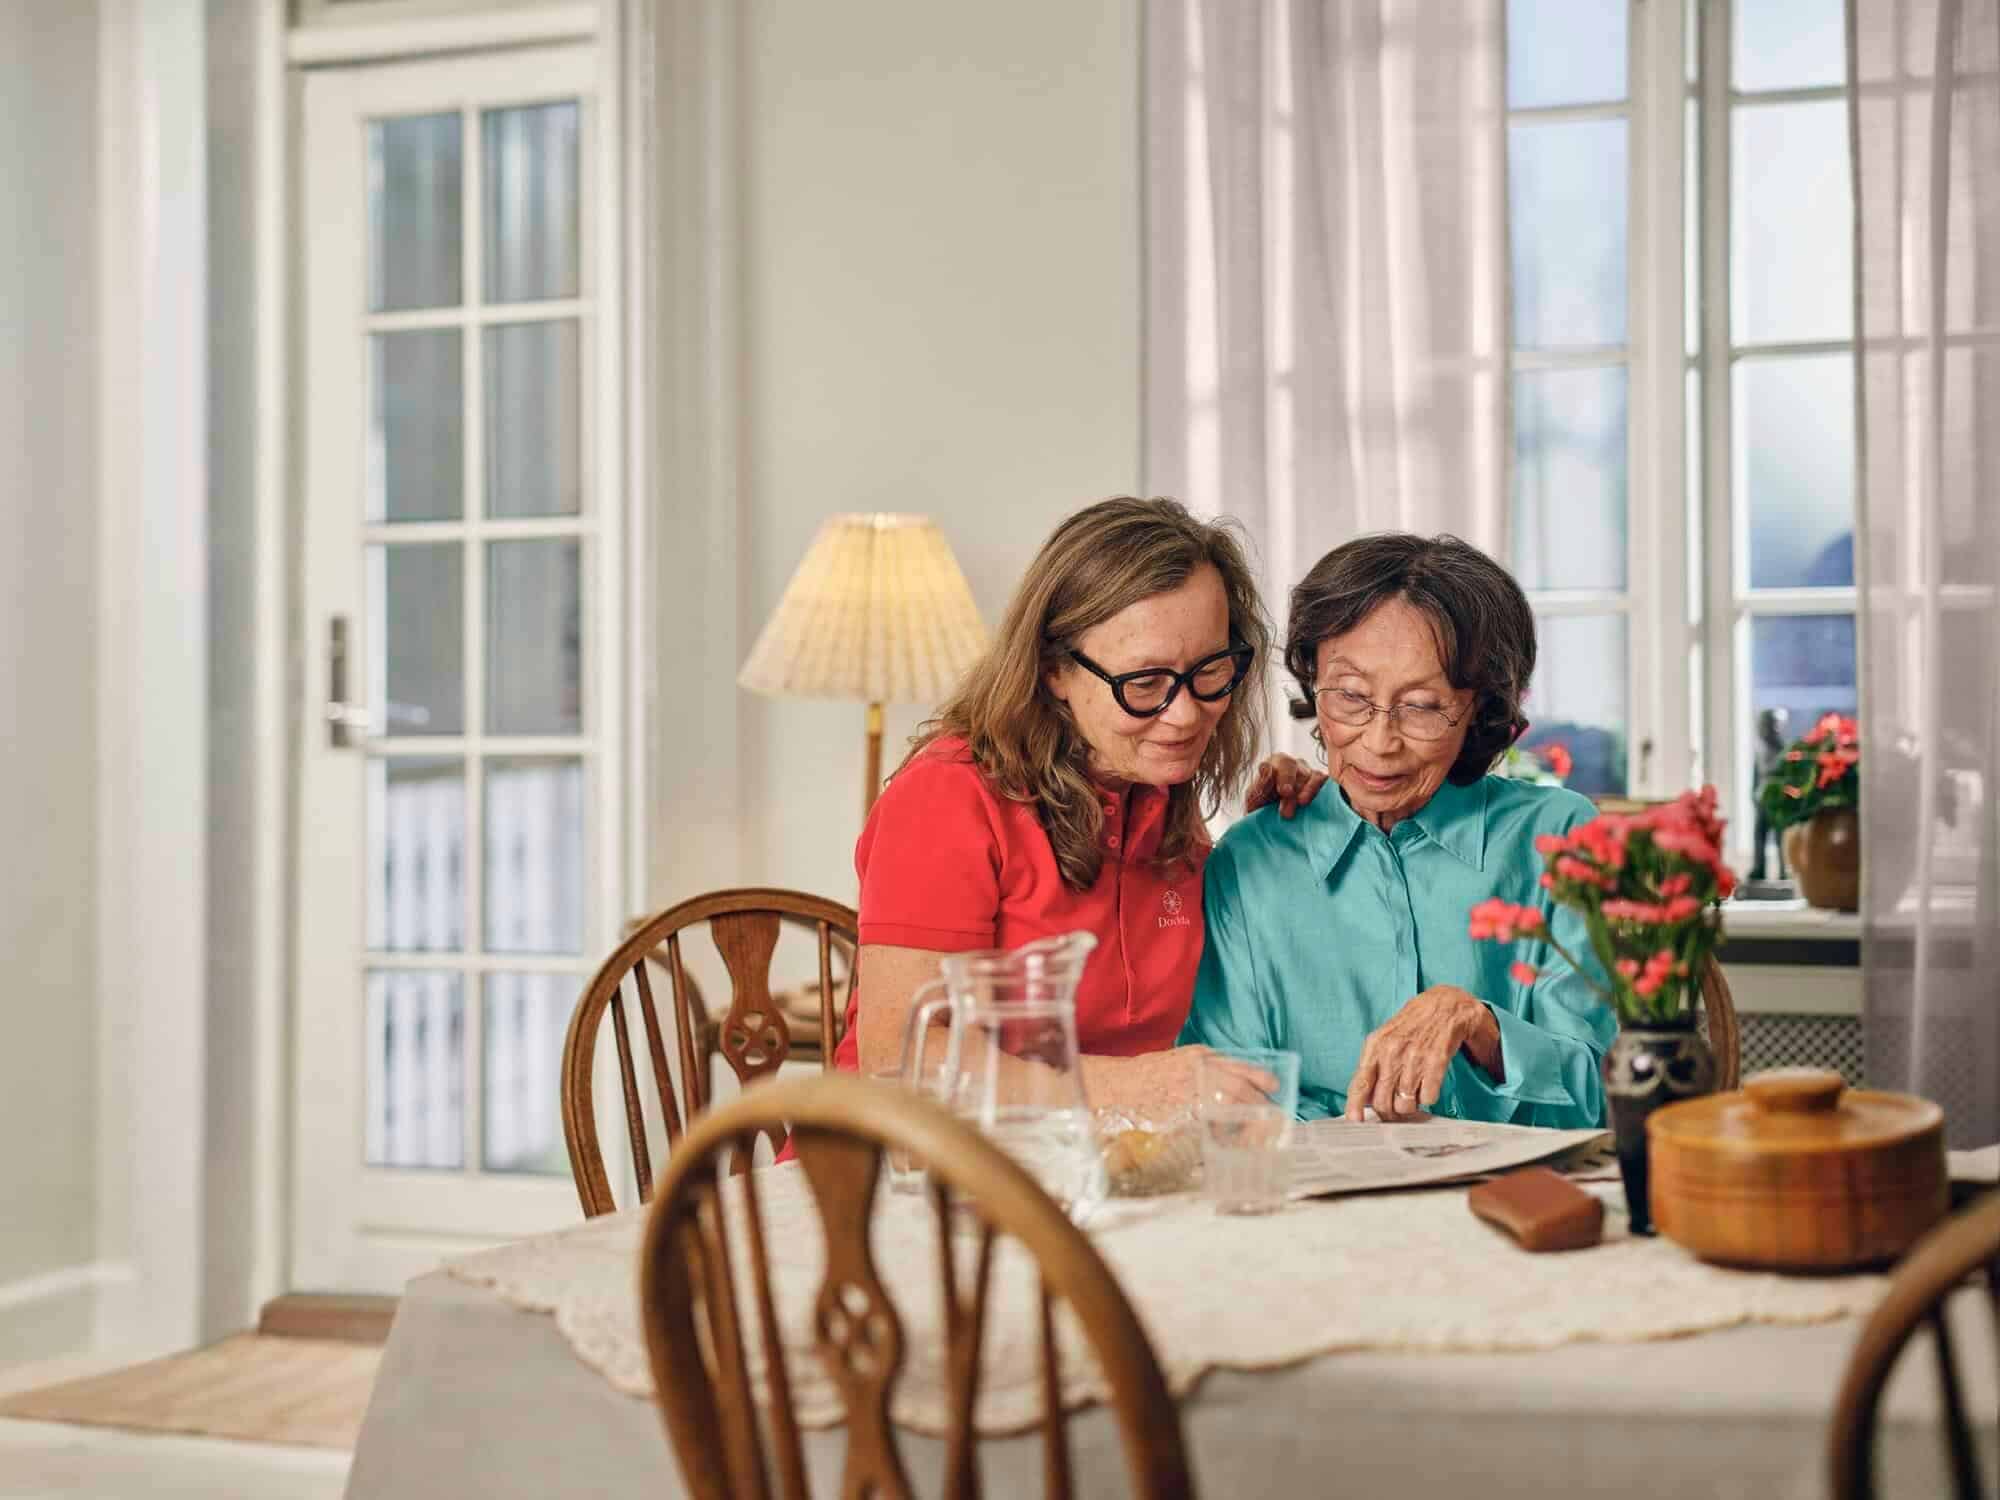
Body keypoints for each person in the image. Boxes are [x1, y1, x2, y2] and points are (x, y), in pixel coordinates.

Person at [833, 497, 1280, 1115]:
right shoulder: (948, 796)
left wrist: (1300, 819)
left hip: (1082, 1164)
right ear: (1054, 672)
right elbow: (900, 1054)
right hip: (905, 1171)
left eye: (1210, 670)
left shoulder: (1158, 796)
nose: (1185, 714)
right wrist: (1128, 1088)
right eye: (1144, 683)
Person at [1181, 532, 1616, 1127]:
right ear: (1314, 687)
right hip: (1325, 1204)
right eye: (1351, 697)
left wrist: (1483, 1028)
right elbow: (1236, 1104)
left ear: (1480, 710)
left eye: (1422, 706)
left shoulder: (1561, 840)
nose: (1380, 744)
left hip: (1519, 1200)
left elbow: (1609, 1096)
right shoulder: (1251, 861)